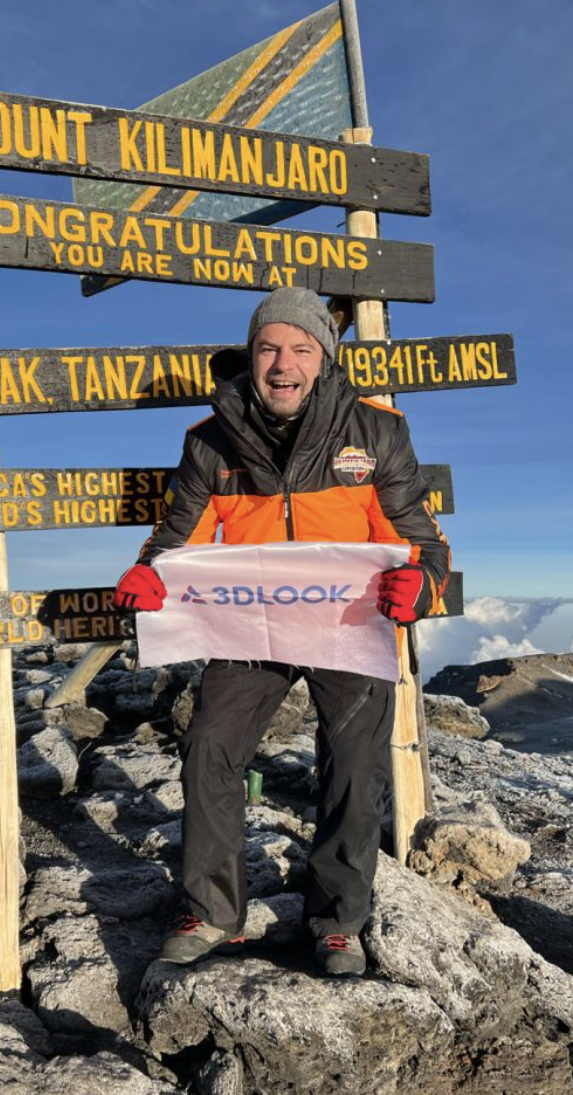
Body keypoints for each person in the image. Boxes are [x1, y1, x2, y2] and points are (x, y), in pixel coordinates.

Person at [115, 287, 450, 976]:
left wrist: (424, 583)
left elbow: (423, 542)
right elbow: (174, 539)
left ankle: (338, 922)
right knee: (209, 746)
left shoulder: (377, 431)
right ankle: (211, 912)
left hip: (349, 624)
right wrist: (152, 576)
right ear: (251, 357)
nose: (282, 362)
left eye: (300, 347)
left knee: (354, 767)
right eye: (269, 347)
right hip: (250, 624)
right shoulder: (208, 442)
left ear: (323, 359)